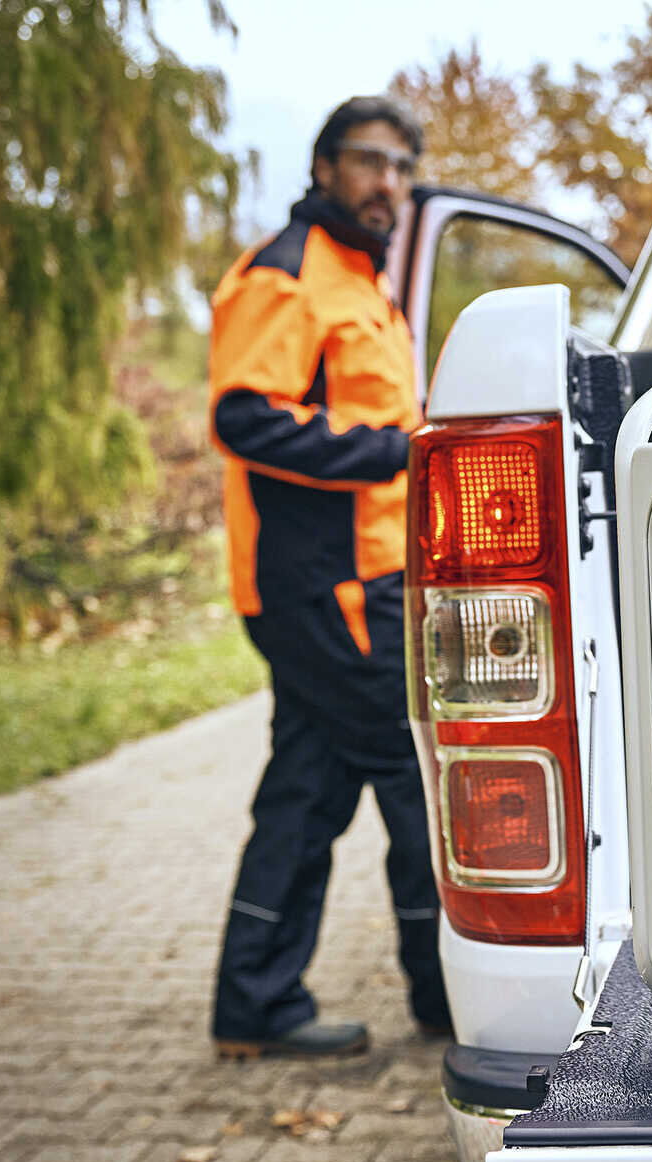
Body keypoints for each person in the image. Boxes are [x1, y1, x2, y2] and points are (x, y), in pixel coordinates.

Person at [205, 96, 449, 1059]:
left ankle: (253, 1004)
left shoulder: (367, 285)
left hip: (368, 581)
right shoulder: (287, 275)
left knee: (307, 788)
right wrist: (391, 450)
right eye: (369, 161)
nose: (388, 181)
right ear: (323, 167)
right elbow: (244, 418)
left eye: (402, 166)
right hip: (324, 588)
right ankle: (447, 998)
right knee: (412, 772)